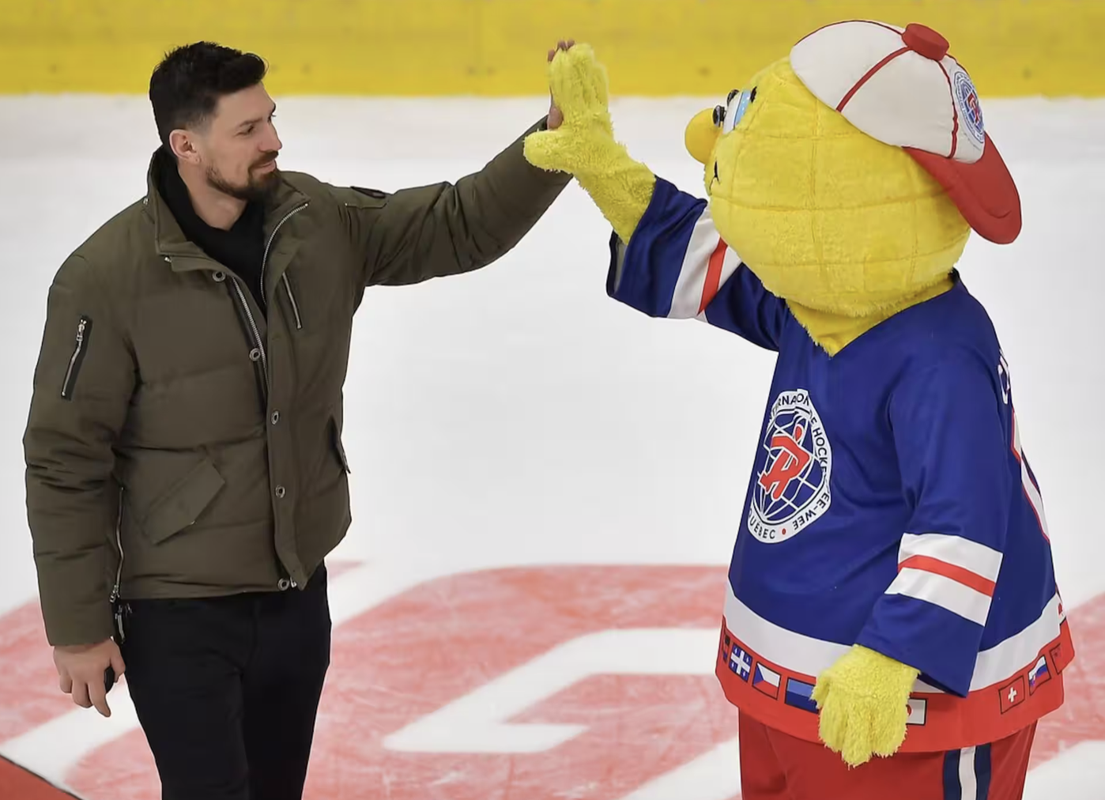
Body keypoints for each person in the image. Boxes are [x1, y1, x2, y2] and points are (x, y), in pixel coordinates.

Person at [23, 40, 570, 800]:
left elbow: (457, 223)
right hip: (177, 611)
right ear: (186, 145)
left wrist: (557, 138)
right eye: (248, 129)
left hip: (294, 595)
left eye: (271, 119)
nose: (274, 140)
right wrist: (78, 627)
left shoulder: (317, 223)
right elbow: (64, 457)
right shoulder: (105, 279)